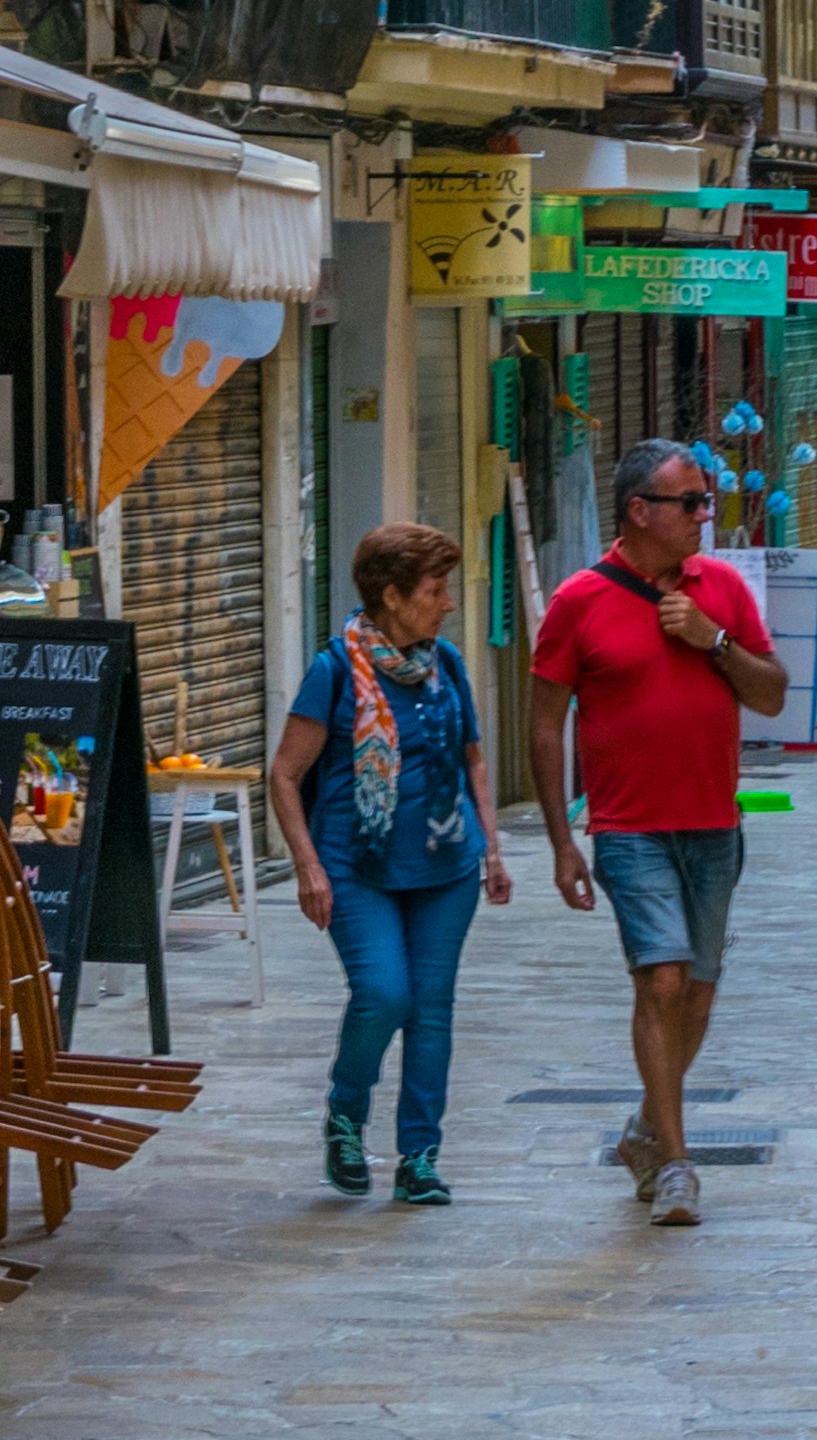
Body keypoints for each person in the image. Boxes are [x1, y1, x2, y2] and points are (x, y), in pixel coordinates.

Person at [527, 436, 785, 1231]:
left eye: (706, 500)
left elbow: (773, 695)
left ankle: (646, 1125)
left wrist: (711, 639)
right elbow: (544, 725)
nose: (706, 515)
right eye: (691, 503)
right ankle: (677, 1163)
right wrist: (562, 840)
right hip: (629, 826)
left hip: (713, 821)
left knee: (700, 990)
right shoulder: (578, 600)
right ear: (641, 511)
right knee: (662, 980)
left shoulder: (724, 589)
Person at [266, 518, 512, 1209]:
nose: (448, 602)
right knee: (384, 992)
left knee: (432, 1009)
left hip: (447, 867)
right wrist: (309, 867)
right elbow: (284, 775)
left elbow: (474, 760)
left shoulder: (446, 666)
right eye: (436, 589)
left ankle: (419, 1157)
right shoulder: (335, 670)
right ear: (394, 595)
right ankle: (345, 1115)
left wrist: (491, 846)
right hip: (357, 865)